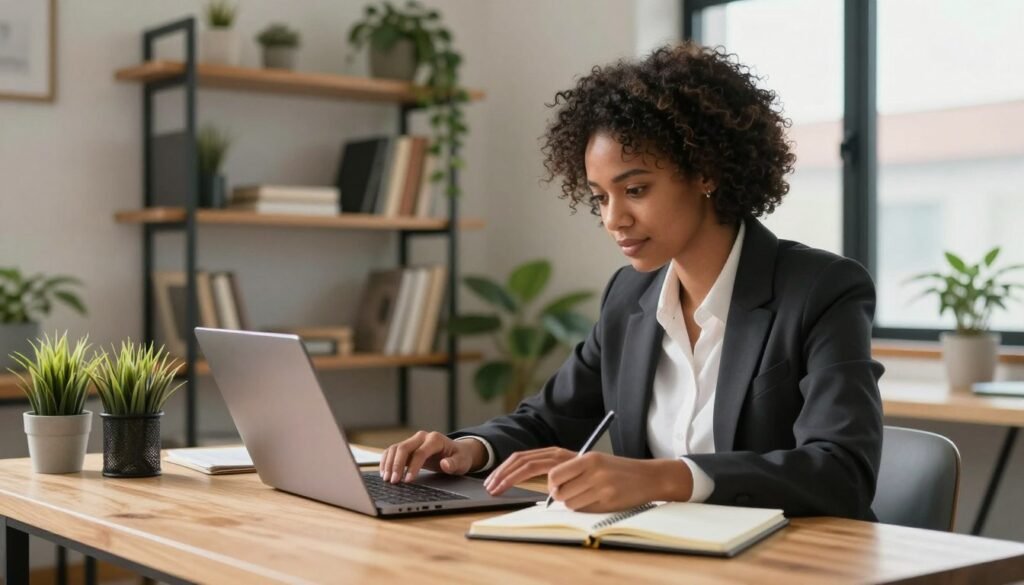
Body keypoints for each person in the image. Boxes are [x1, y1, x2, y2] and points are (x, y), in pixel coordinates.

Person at [379, 42, 884, 520]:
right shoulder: (630, 296)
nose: (613, 219)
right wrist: (468, 449)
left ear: (706, 172)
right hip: (655, 555)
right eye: (600, 197)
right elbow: (549, 418)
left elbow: (841, 471)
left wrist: (662, 479)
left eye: (635, 189)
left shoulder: (822, 290)